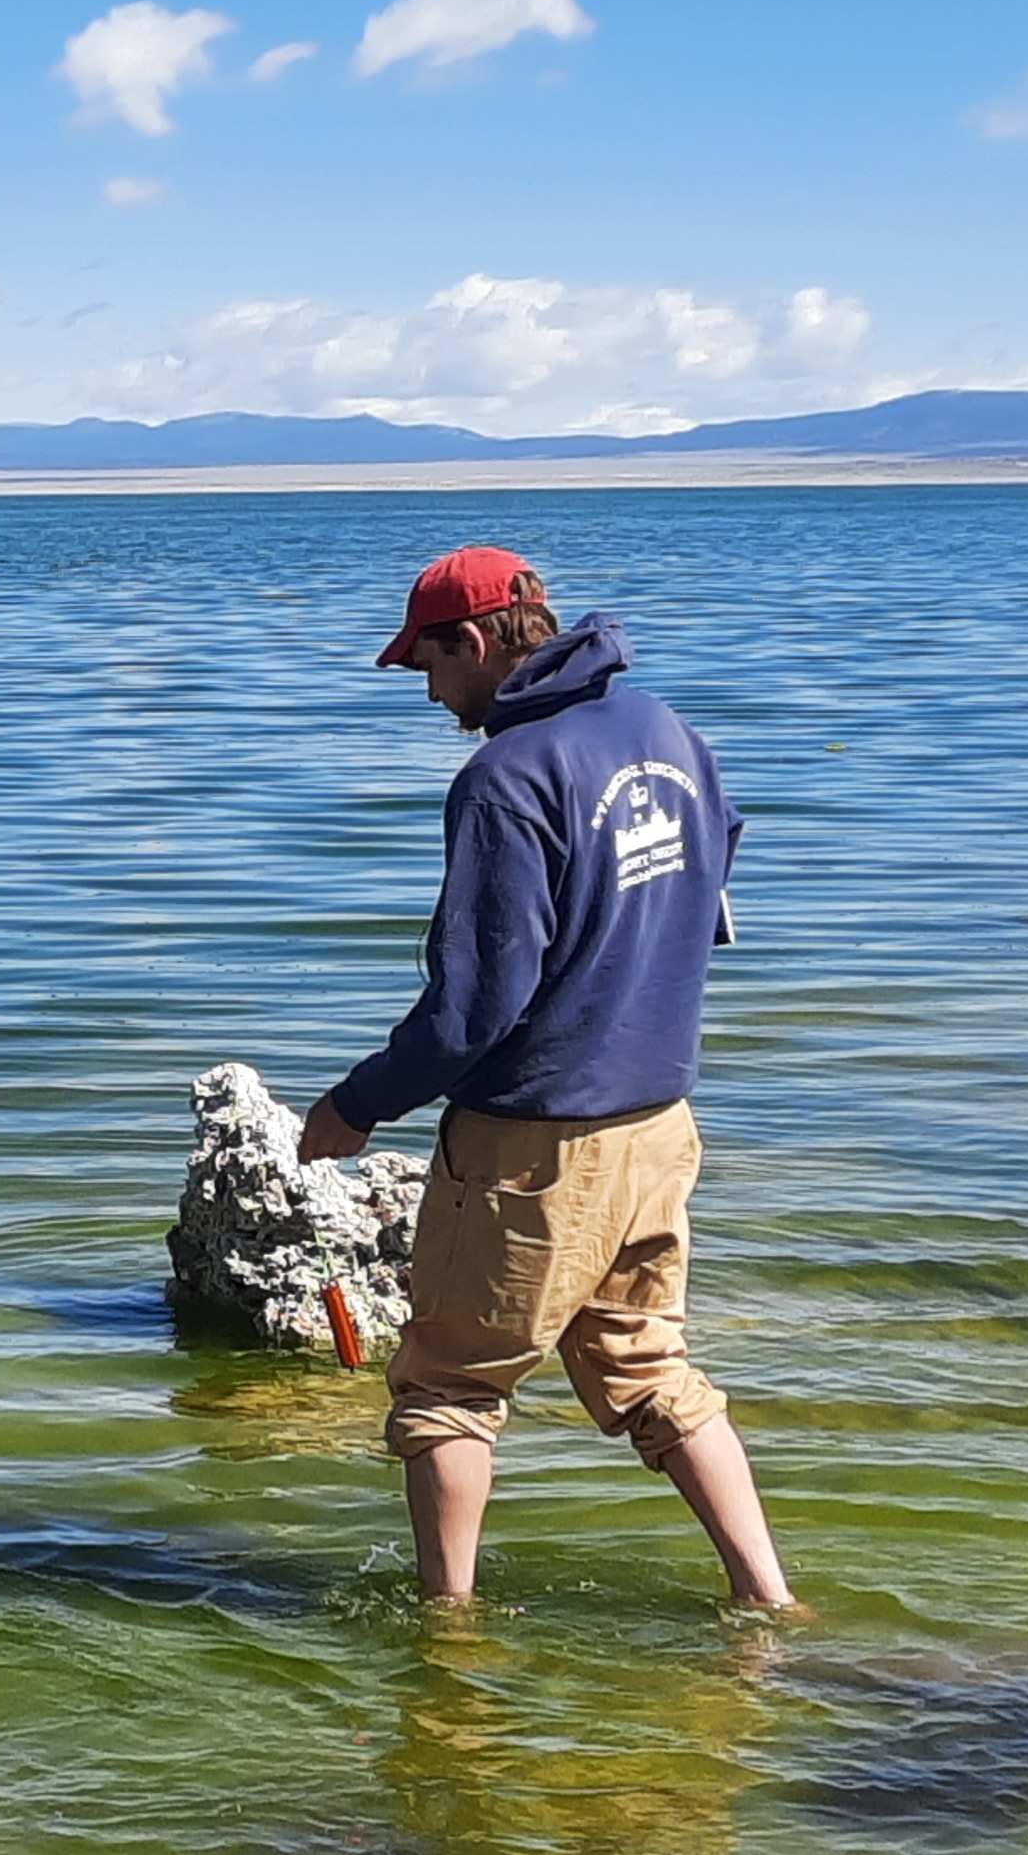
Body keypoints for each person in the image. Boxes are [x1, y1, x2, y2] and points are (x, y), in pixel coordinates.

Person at [297, 545, 796, 1611]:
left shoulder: (504, 779)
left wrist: (355, 1104)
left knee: (445, 1390)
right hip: (660, 1120)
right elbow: (715, 872)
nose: (429, 693)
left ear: (472, 642)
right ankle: (767, 1601)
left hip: (535, 1141)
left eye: (426, 664)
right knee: (647, 1366)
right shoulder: (664, 731)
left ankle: (448, 1632)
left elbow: (474, 1007)